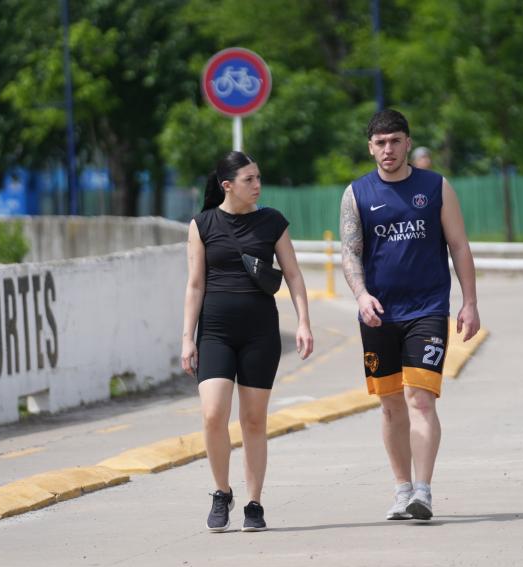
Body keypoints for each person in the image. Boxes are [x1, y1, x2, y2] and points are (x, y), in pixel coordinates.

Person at [339, 109, 480, 521]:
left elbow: (459, 245)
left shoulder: (436, 187)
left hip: (427, 310)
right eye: (380, 143)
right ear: (370, 147)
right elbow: (350, 251)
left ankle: (423, 491)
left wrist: (469, 302)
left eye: (395, 141)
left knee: (420, 399)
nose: (388, 149)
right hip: (379, 313)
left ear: (407, 143)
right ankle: (401, 490)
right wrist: (361, 295)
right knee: (390, 405)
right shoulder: (356, 194)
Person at [181, 151, 314, 533]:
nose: (258, 185)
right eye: (249, 179)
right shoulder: (202, 224)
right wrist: (187, 338)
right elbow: (194, 284)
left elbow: (293, 274)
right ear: (228, 186)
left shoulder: (272, 222)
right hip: (216, 331)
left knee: (254, 420)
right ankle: (221, 492)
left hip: (260, 333)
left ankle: (254, 502)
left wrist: (304, 322)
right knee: (212, 414)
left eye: (258, 177)